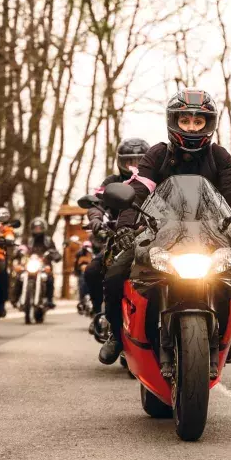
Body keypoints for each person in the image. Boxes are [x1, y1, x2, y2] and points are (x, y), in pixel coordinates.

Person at [99, 89, 231, 365]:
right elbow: (138, 190)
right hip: (161, 235)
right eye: (185, 121)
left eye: (198, 122)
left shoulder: (219, 157)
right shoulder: (158, 154)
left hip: (211, 236)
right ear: (173, 121)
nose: (191, 128)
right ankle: (116, 335)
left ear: (209, 125)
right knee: (114, 273)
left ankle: (225, 335)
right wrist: (125, 228)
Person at [84, 139, 150, 326]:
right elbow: (97, 203)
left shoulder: (154, 180)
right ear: (120, 162)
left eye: (139, 161)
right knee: (92, 271)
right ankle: (100, 313)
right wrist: (96, 218)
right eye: (129, 161)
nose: (134, 167)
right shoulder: (112, 182)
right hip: (118, 238)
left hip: (152, 237)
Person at [15, 217, 62, 310]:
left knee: (50, 278)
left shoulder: (48, 240)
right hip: (30, 264)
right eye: (36, 228)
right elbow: (21, 248)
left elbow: (54, 250)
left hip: (44, 265)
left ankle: (49, 300)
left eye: (39, 227)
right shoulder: (27, 239)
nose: (37, 229)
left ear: (43, 228)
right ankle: (16, 298)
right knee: (20, 276)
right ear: (32, 228)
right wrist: (19, 252)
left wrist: (54, 254)